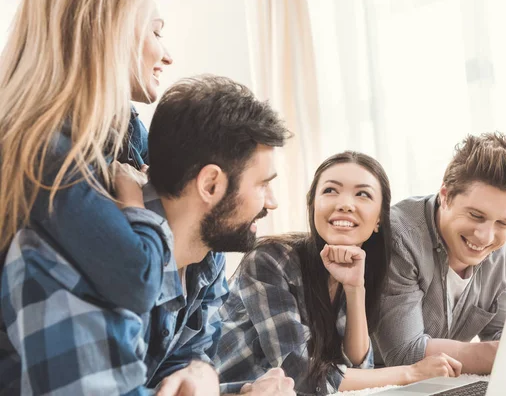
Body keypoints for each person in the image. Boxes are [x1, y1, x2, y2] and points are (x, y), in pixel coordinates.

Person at [1, 75, 296, 395]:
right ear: (210, 184)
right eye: (263, 184)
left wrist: (205, 373)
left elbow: (181, 367)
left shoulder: (206, 254)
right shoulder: (78, 257)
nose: (272, 202)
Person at [216, 151, 462, 396]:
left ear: (378, 219)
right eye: (330, 191)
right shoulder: (270, 260)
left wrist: (355, 288)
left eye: (362, 194)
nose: (345, 204)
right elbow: (299, 373)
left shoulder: (356, 266)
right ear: (313, 205)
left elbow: (357, 365)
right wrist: (412, 373)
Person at [0, 0, 175, 320]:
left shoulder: (126, 129)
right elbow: (139, 282)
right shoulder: (44, 155)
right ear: (110, 32)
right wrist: (136, 203)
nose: (168, 56)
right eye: (156, 32)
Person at [372, 132, 506, 376]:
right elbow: (404, 354)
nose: (486, 237)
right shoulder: (399, 236)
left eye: (504, 223)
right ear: (445, 197)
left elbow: (501, 334)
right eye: (476, 216)